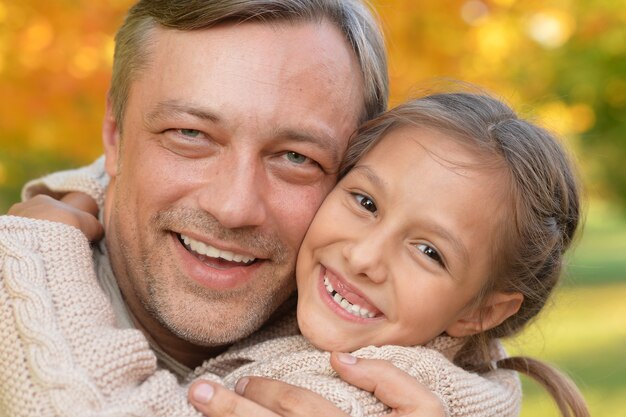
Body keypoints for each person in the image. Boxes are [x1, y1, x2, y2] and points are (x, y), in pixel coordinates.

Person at [0, 0, 517, 415]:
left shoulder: (400, 377)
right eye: (190, 134)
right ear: (115, 136)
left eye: (296, 157)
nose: (233, 206)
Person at [5, 91, 589, 417]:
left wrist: (33, 243)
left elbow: (73, 405)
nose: (365, 256)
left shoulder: (373, 391)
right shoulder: (376, 325)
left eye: (430, 251)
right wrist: (90, 187)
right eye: (364, 201)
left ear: (481, 313)